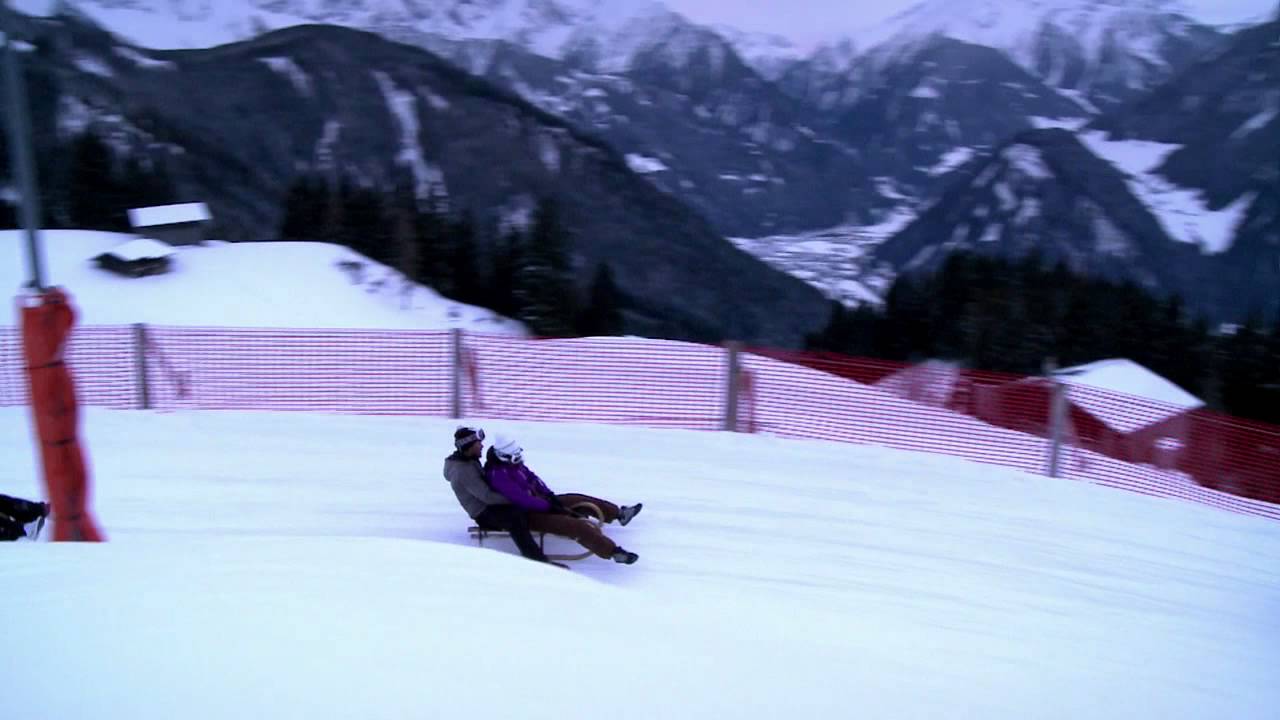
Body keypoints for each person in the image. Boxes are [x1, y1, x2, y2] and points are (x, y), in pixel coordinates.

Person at [484, 435, 641, 565]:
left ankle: (618, 514)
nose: (518, 460)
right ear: (503, 456)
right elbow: (520, 498)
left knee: (576, 499)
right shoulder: (497, 475)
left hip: (541, 501)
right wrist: (547, 506)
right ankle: (613, 552)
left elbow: (533, 478)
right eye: (515, 458)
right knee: (574, 526)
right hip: (526, 514)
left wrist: (550, 495)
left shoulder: (515, 465)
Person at [442, 425, 556, 565]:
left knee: (525, 505)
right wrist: (516, 498)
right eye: (478, 443)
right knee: (515, 518)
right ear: (468, 446)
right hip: (483, 513)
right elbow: (488, 497)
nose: (482, 446)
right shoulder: (463, 470)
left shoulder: (469, 459)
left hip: (489, 505)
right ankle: (536, 558)